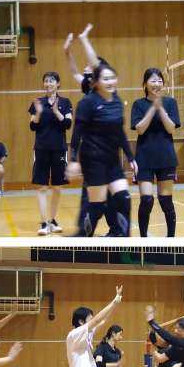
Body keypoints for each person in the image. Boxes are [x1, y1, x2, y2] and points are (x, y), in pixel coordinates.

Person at [67, 54, 138, 237]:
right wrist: (73, 160)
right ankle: (83, 237)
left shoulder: (116, 101)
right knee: (97, 206)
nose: (110, 81)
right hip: (93, 160)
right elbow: (77, 133)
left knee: (123, 198)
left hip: (112, 160)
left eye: (112, 77)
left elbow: (120, 132)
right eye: (105, 78)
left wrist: (130, 157)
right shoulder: (87, 102)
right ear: (97, 82)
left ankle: (124, 242)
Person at [63, 27, 119, 237]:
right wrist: (67, 52)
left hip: (106, 151)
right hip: (92, 151)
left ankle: (90, 232)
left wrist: (85, 39)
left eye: (90, 70)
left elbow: (95, 65)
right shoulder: (88, 90)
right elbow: (74, 72)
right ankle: (99, 230)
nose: (86, 72)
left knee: (98, 193)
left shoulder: (107, 89)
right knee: (98, 192)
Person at [131, 68, 180, 237]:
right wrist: (153, 107)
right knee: (146, 200)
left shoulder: (171, 103)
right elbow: (140, 129)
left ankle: (171, 239)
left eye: (160, 81)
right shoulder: (138, 104)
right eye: (153, 80)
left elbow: (171, 128)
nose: (157, 83)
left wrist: (161, 108)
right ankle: (143, 239)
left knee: (166, 200)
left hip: (166, 158)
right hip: (144, 158)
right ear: (145, 84)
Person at [29, 72, 72, 235]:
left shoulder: (65, 102)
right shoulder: (37, 103)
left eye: (51, 81)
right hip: (41, 149)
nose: (48, 83)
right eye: (46, 81)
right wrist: (39, 113)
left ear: (58, 84)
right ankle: (44, 223)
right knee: (41, 187)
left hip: (59, 149)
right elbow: (32, 126)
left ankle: (52, 220)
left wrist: (56, 111)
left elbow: (68, 124)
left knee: (57, 188)